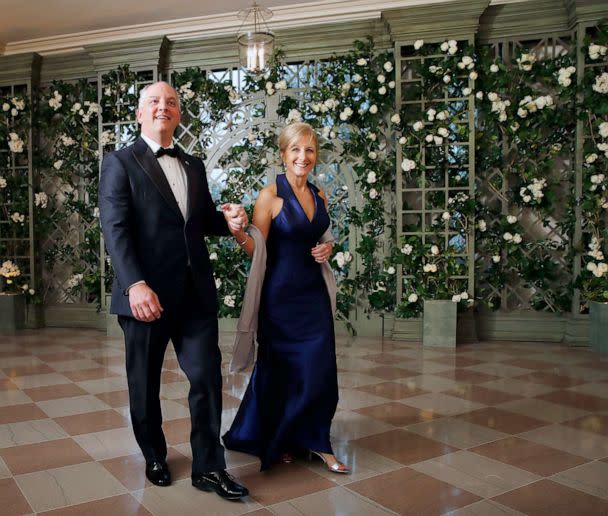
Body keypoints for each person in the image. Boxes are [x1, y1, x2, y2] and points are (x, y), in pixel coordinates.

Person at [98, 81, 249, 500]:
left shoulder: (195, 165)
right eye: (154, 101)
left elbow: (197, 222)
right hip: (145, 296)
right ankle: (153, 455)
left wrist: (230, 219)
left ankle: (209, 466)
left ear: (178, 114)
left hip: (194, 294)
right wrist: (135, 284)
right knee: (143, 384)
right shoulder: (120, 162)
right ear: (140, 113)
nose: (163, 107)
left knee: (205, 378)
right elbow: (115, 229)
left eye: (171, 102)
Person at [223, 122, 349, 473]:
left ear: (315, 156)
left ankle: (318, 441)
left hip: (314, 297)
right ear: (283, 155)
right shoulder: (270, 196)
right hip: (279, 299)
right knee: (279, 371)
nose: (302, 156)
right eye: (295, 149)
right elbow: (254, 248)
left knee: (319, 369)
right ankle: (281, 438)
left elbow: (324, 236)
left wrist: (327, 246)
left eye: (309, 150)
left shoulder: (320, 194)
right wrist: (237, 232)